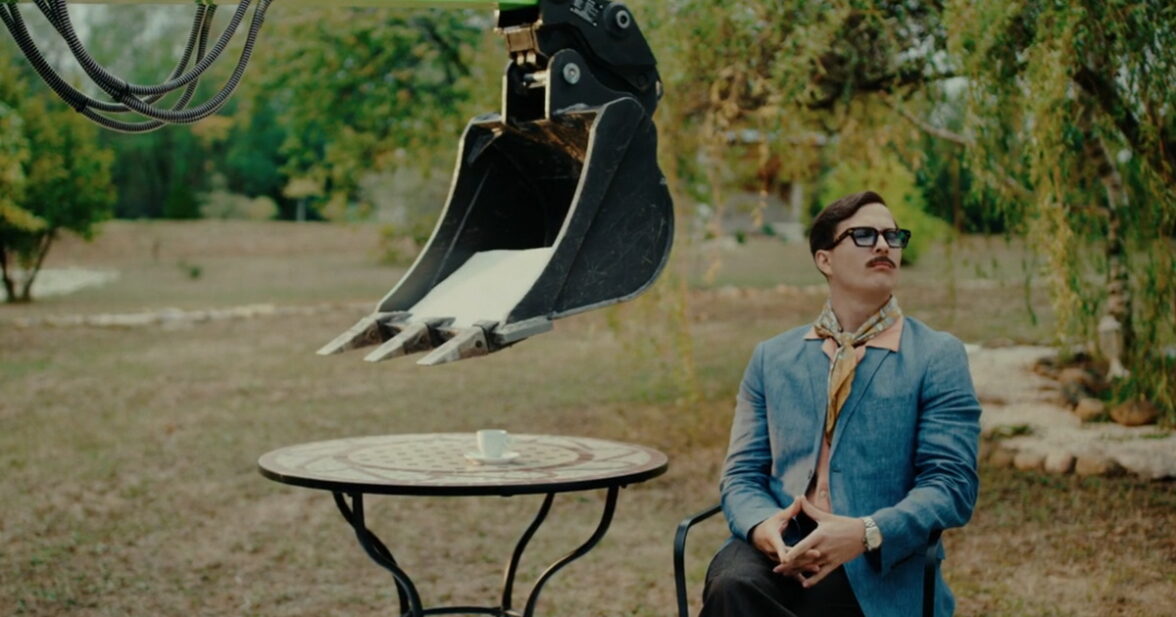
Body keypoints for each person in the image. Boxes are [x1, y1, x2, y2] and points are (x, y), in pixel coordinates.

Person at [699, 191, 981, 617]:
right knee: (733, 586)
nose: (883, 245)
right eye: (864, 235)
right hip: (781, 544)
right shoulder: (772, 358)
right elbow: (741, 474)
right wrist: (762, 527)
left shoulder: (936, 356)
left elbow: (952, 485)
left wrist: (866, 532)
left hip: (873, 557)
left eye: (892, 236)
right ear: (824, 259)